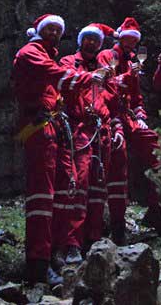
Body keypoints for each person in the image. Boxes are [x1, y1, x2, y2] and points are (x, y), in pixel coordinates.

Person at [12, 13, 100, 284]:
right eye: (48, 29)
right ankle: (38, 264)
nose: (53, 34)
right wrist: (91, 77)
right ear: (39, 31)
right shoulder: (30, 53)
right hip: (38, 127)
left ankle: (55, 251)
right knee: (42, 194)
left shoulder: (48, 55)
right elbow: (58, 76)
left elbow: (58, 86)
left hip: (54, 126)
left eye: (57, 30)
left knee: (64, 186)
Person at [97, 16, 161, 242]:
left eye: (133, 40)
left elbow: (136, 95)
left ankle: (155, 211)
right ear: (121, 38)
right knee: (117, 160)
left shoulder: (132, 60)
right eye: (127, 39)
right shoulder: (107, 55)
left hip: (128, 116)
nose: (130, 44)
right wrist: (128, 75)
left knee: (157, 151)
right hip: (109, 114)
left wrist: (141, 116)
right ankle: (116, 225)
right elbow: (105, 84)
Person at [58, 23, 120, 261]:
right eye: (88, 39)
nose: (92, 43)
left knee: (98, 186)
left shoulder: (105, 69)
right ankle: (72, 242)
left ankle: (93, 238)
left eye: (96, 40)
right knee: (79, 183)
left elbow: (114, 103)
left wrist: (117, 128)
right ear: (81, 41)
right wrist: (92, 78)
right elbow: (64, 83)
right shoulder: (69, 62)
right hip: (80, 128)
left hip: (101, 130)